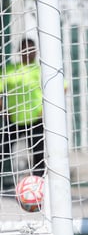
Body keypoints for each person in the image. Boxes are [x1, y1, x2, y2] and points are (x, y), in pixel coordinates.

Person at [0, 38, 45, 178]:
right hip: (14, 118)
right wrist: (2, 110)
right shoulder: (10, 70)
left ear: (36, 51)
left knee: (39, 154)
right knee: (3, 151)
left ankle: (39, 183)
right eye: (25, 50)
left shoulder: (41, 70)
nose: (29, 53)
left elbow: (63, 87)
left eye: (32, 50)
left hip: (35, 119)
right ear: (20, 51)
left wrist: (44, 109)